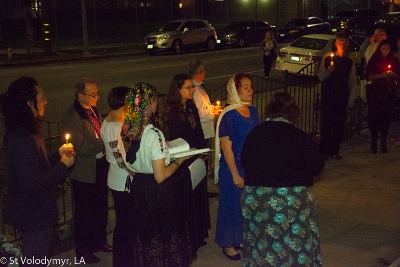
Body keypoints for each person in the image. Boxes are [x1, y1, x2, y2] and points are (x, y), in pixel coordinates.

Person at [240, 91, 325, 266]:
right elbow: (316, 165)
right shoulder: (299, 137)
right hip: (291, 201)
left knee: (260, 244)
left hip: (257, 198)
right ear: (293, 113)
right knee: (295, 245)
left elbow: (244, 160)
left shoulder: (255, 134)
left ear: (269, 111)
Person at [0, 77, 75, 263]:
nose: (46, 101)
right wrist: (63, 166)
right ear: (28, 103)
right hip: (34, 216)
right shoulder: (22, 138)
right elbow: (32, 185)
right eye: (42, 97)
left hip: (34, 214)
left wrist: (58, 155)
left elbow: (36, 165)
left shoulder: (27, 131)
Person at [122, 82, 194, 266]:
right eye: (154, 100)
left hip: (139, 187)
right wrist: (178, 161)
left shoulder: (128, 130)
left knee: (146, 236)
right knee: (164, 234)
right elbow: (160, 175)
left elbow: (129, 164)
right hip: (158, 192)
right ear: (150, 104)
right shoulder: (153, 133)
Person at [61, 78, 111, 264]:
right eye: (93, 94)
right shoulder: (72, 116)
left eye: (97, 92)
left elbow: (95, 135)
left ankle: (99, 242)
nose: (97, 96)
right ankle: (83, 250)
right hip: (84, 172)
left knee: (100, 208)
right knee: (85, 213)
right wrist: (102, 143)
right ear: (80, 95)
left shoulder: (93, 110)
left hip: (98, 166)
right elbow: (80, 147)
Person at [214, 73, 260, 261]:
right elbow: (227, 149)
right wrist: (235, 174)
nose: (250, 90)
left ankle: (239, 238)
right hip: (232, 167)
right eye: (246, 87)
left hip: (249, 165)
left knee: (245, 205)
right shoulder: (228, 116)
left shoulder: (253, 111)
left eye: (251, 86)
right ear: (235, 90)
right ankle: (227, 243)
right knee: (230, 205)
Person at [162, 73, 210, 253]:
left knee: (198, 196)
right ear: (178, 90)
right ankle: (189, 239)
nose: (192, 90)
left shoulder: (191, 105)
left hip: (197, 155)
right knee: (187, 201)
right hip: (184, 159)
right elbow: (180, 137)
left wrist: (203, 149)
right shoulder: (174, 111)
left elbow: (198, 130)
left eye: (192, 87)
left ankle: (198, 235)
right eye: (188, 88)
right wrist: (195, 152)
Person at [100, 86, 134, 266]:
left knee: (123, 223)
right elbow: (123, 160)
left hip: (116, 178)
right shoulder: (116, 128)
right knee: (126, 224)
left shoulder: (108, 121)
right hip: (123, 181)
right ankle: (124, 260)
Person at [317, 31, 357, 160]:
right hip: (328, 96)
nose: (342, 45)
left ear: (348, 44)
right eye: (340, 42)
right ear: (336, 43)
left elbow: (352, 81)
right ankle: (324, 151)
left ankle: (335, 150)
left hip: (342, 97)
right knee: (326, 124)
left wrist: (351, 99)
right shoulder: (328, 57)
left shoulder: (350, 61)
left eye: (345, 42)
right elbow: (321, 77)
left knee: (339, 124)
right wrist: (328, 72)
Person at [365, 39, 400, 153]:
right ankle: (374, 142)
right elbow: (369, 76)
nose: (385, 51)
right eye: (383, 49)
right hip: (376, 94)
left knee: (386, 118)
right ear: (380, 49)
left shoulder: (393, 60)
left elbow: (398, 74)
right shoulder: (375, 60)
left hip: (388, 93)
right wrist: (381, 75)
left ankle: (383, 142)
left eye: (387, 49)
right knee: (374, 118)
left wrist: (391, 74)